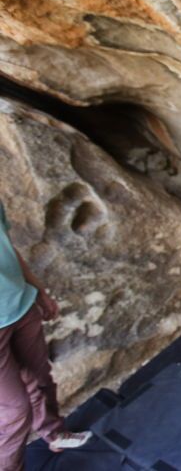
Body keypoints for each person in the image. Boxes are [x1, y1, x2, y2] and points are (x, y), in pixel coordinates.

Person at [0, 201, 91, 470]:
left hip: (21, 306)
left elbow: (7, 248)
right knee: (15, 412)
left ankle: (55, 434)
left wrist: (38, 289)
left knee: (40, 378)